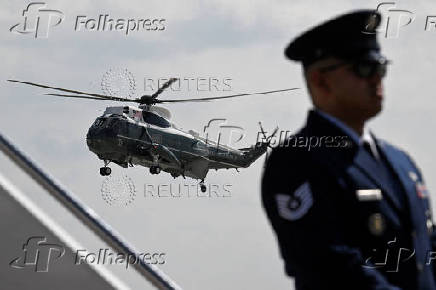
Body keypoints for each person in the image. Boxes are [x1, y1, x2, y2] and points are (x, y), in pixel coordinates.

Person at [261, 10, 436, 290]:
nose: (376, 79)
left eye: (381, 68)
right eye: (364, 68)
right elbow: (330, 267)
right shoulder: (298, 161)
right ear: (321, 80)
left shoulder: (402, 162)